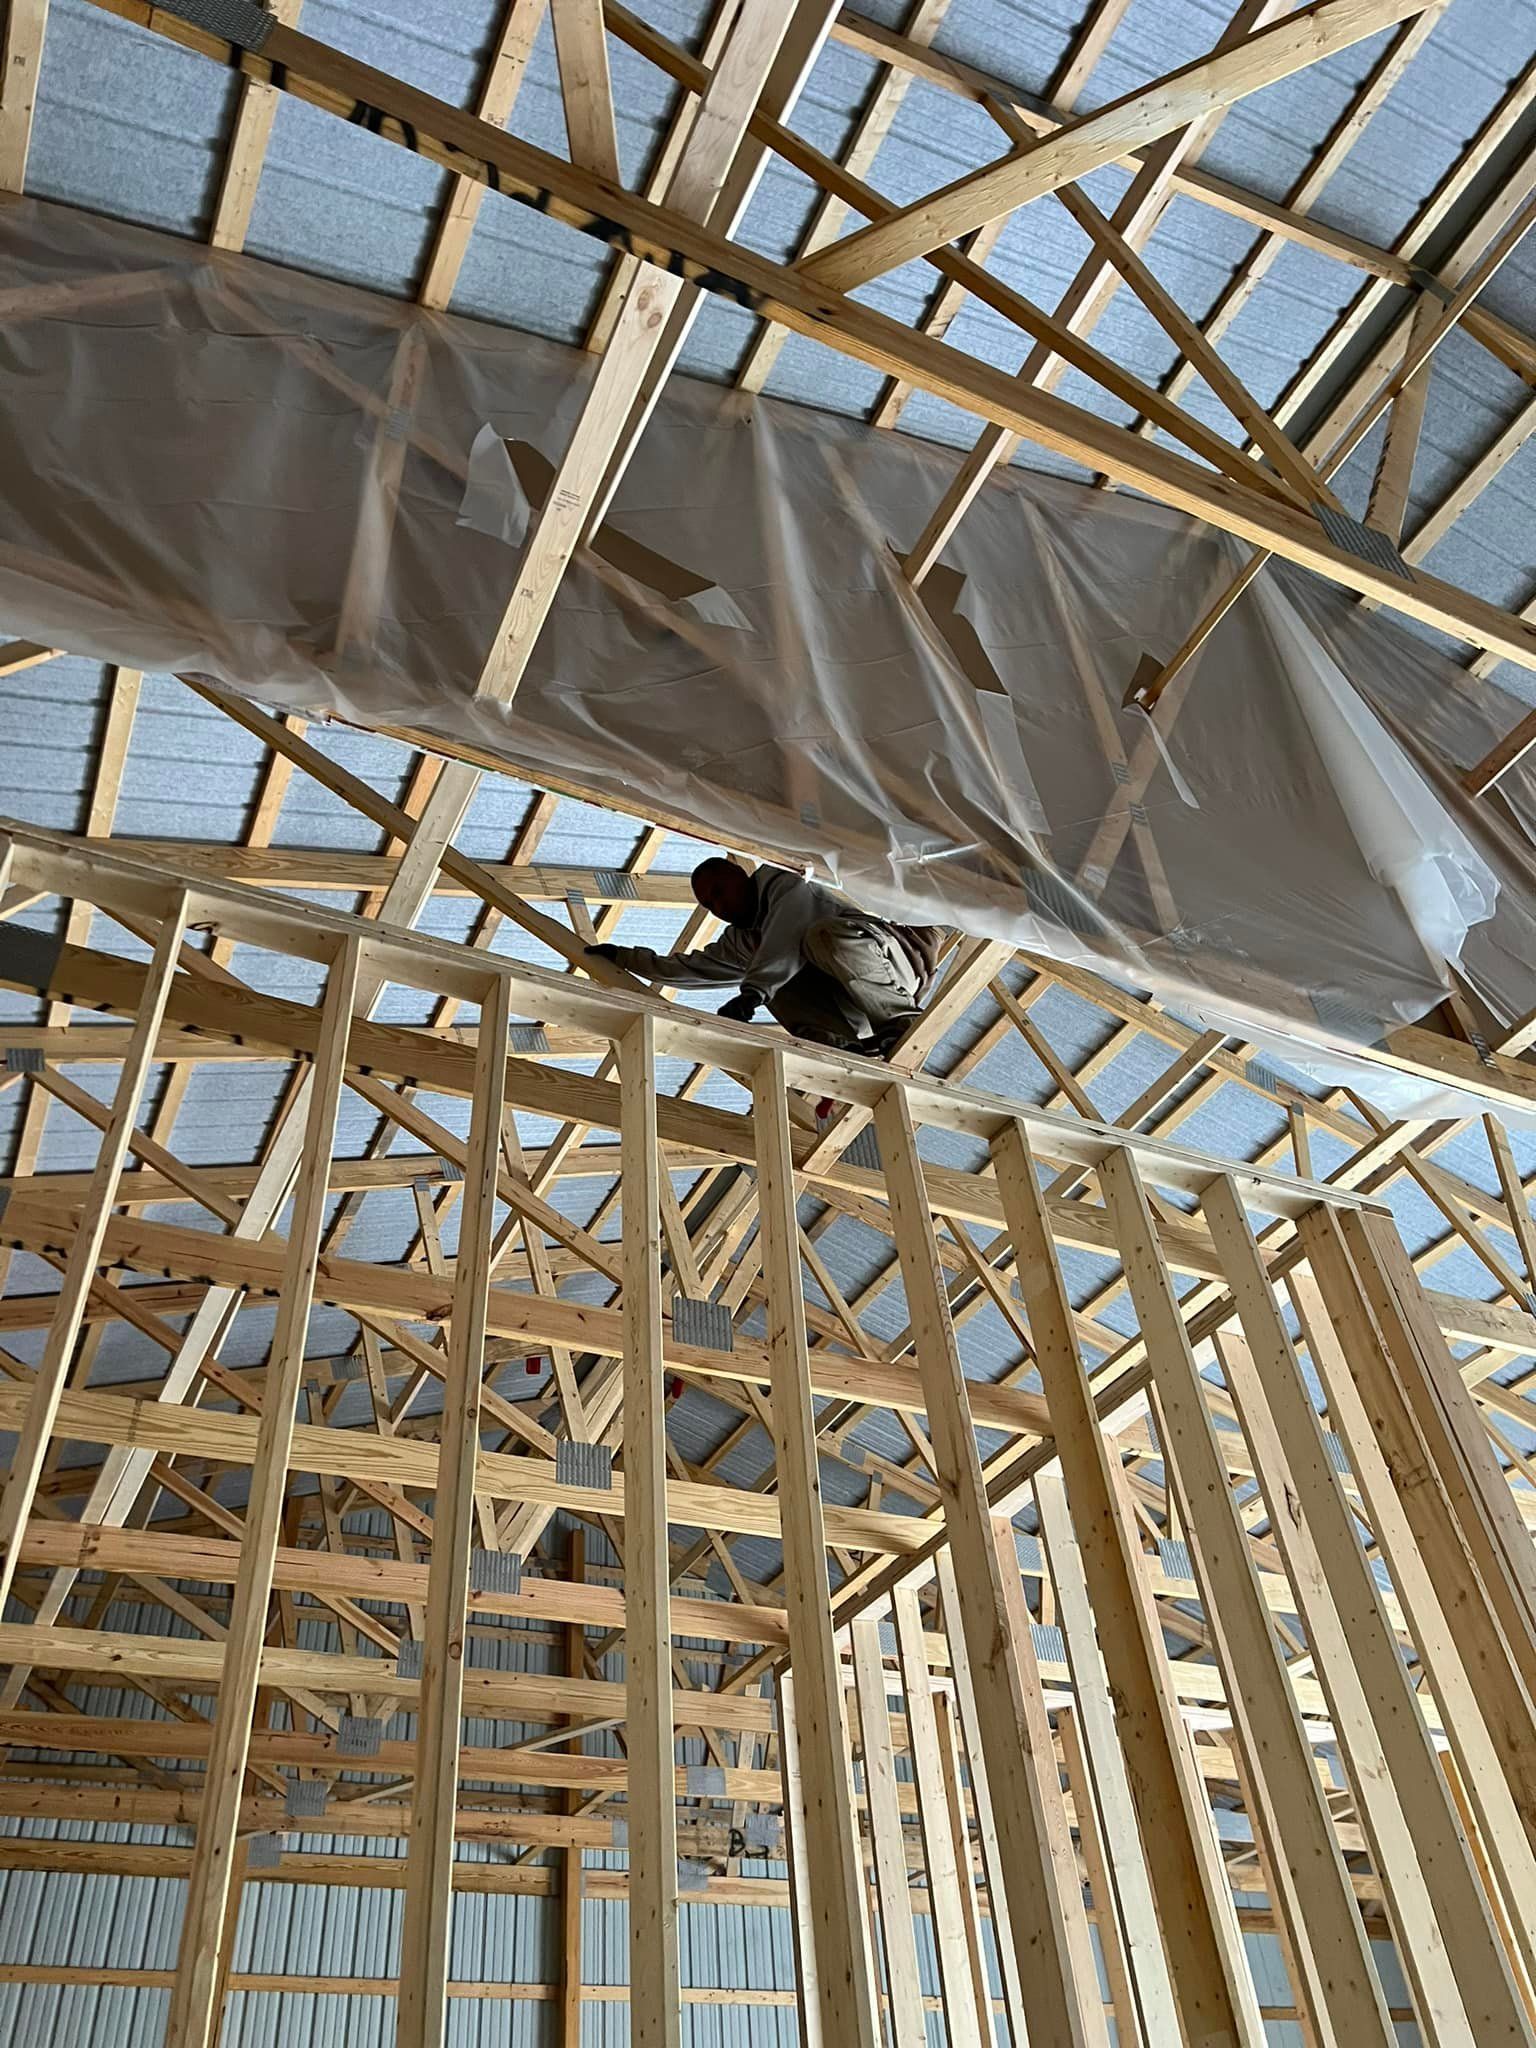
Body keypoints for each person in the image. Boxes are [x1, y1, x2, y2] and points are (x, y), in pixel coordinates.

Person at [585, 858, 941, 1056]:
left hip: (893, 970)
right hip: (853, 1008)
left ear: (741, 875)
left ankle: (902, 1024)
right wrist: (623, 957)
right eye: (710, 905)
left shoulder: (785, 881)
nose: (719, 907)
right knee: (764, 976)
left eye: (720, 893)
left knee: (815, 941)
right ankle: (843, 1050)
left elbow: (786, 933)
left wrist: (753, 994)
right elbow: (688, 969)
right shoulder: (740, 942)